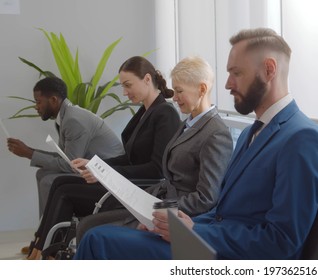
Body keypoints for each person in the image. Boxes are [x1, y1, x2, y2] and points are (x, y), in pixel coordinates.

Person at [74, 27, 318, 260]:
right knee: (99, 236)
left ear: (269, 70)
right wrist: (178, 223)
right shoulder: (253, 132)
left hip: (225, 256)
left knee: (98, 240)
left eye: (236, 73)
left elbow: (282, 242)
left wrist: (195, 231)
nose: (228, 84)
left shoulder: (300, 138)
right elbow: (223, 211)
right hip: (209, 239)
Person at [25, 56, 181, 260]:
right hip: (127, 183)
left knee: (65, 190)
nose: (124, 92)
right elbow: (129, 158)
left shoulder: (165, 114)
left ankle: (47, 254)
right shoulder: (145, 111)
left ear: (147, 79)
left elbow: (156, 170)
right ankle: (41, 247)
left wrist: (105, 173)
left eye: (128, 85)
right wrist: (95, 165)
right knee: (61, 182)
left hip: (139, 190)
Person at [75, 56, 233, 242]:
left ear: (202, 89)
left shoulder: (215, 133)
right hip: (155, 200)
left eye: (180, 91)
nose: (174, 97)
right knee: (88, 225)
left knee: (91, 230)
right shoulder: (187, 124)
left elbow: (206, 198)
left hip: (171, 213)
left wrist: (157, 207)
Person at [6, 77, 124, 217]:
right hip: (91, 170)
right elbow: (66, 159)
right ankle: (46, 229)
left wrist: (29, 154)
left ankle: (53, 233)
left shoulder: (73, 120)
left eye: (38, 102)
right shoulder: (65, 117)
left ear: (54, 100)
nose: (36, 107)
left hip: (107, 176)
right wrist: (29, 151)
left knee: (49, 181)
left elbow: (70, 166)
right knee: (42, 174)